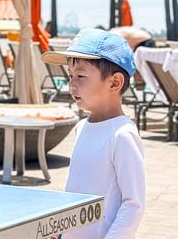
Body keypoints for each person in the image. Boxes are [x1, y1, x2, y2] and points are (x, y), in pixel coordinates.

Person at [41, 28, 145, 239]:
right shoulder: (82, 127)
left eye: (80, 75)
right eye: (70, 76)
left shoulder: (122, 135)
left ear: (114, 82)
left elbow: (133, 204)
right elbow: (77, 189)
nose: (72, 85)